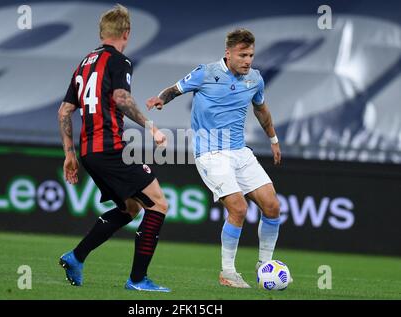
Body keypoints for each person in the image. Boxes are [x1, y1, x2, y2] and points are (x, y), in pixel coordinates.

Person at [147, 29, 286, 288]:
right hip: (211, 153)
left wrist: (274, 140)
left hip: (240, 152)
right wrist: (161, 99)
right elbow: (175, 89)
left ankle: (264, 264)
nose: (248, 61)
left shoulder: (255, 79)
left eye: (251, 55)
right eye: (242, 55)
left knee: (272, 206)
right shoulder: (205, 73)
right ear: (228, 53)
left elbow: (261, 110)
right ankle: (227, 272)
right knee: (238, 208)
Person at [57, 4, 170, 292]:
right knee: (158, 203)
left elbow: (64, 111)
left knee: (130, 207)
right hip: (111, 148)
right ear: (127, 34)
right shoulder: (120, 61)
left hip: (88, 151)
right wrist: (151, 127)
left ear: (102, 32)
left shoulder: (84, 63)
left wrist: (69, 154)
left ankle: (76, 256)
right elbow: (121, 98)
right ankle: (137, 280)